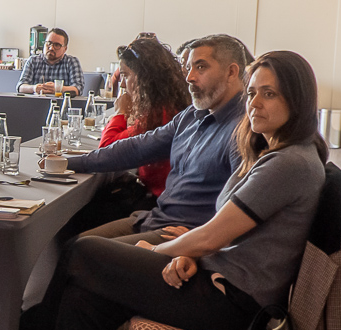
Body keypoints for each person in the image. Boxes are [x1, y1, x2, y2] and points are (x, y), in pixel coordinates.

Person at [11, 50, 328, 330]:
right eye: (252, 93)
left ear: (297, 101)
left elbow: (212, 237)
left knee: (84, 253)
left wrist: (162, 249)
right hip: (219, 279)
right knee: (86, 294)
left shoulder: (288, 163)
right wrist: (191, 251)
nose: (255, 103)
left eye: (270, 94)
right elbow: (228, 234)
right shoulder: (272, 152)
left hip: (232, 303)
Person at [64, 34, 252, 245]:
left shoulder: (243, 130)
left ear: (231, 72)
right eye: (188, 68)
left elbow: (241, 208)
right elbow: (137, 148)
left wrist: (198, 243)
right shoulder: (191, 115)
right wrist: (66, 163)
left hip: (185, 232)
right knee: (76, 242)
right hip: (157, 218)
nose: (189, 77)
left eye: (200, 67)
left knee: (83, 248)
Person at [65, 35, 191, 230]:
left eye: (125, 75)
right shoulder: (168, 105)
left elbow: (108, 149)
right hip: (162, 198)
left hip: (160, 204)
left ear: (143, 77)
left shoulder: (160, 113)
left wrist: (120, 113)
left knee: (79, 224)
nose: (122, 84)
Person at [17, 28, 83, 96]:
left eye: (57, 45)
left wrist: (58, 88)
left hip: (62, 101)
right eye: (49, 43)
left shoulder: (72, 62)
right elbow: (20, 87)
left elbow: (78, 89)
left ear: (65, 49)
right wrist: (34, 88)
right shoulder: (33, 61)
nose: (51, 48)